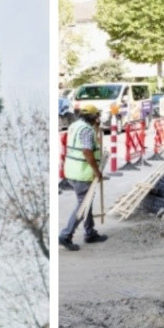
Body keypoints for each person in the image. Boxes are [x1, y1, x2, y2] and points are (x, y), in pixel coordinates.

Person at [59, 105, 107, 251]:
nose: (98, 118)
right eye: (96, 116)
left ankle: (90, 232)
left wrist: (97, 128)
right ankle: (66, 235)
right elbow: (87, 151)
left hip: (72, 171)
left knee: (87, 203)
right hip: (82, 173)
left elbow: (87, 143)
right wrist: (97, 171)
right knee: (83, 205)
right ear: (93, 117)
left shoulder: (75, 125)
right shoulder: (86, 130)